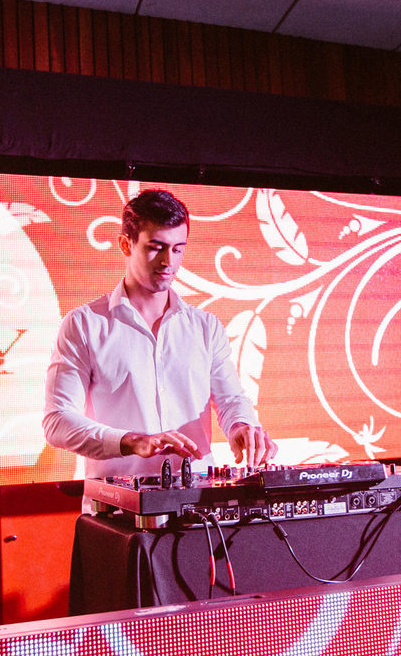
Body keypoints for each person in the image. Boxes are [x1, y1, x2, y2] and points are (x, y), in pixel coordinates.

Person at [43, 188, 277, 487]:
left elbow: (230, 400)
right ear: (125, 245)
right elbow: (58, 421)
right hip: (119, 510)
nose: (169, 261)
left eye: (178, 249)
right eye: (156, 247)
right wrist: (132, 441)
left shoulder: (206, 327)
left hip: (199, 509)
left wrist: (242, 427)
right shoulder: (84, 324)